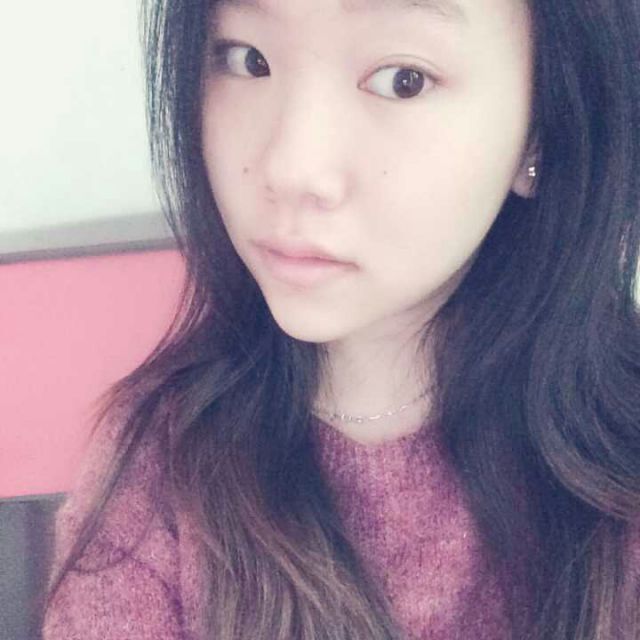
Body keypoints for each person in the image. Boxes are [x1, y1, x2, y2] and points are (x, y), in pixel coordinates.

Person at [42, 0, 640, 638]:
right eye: (248, 59)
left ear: (542, 127)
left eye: (403, 80)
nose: (290, 170)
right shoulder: (157, 465)